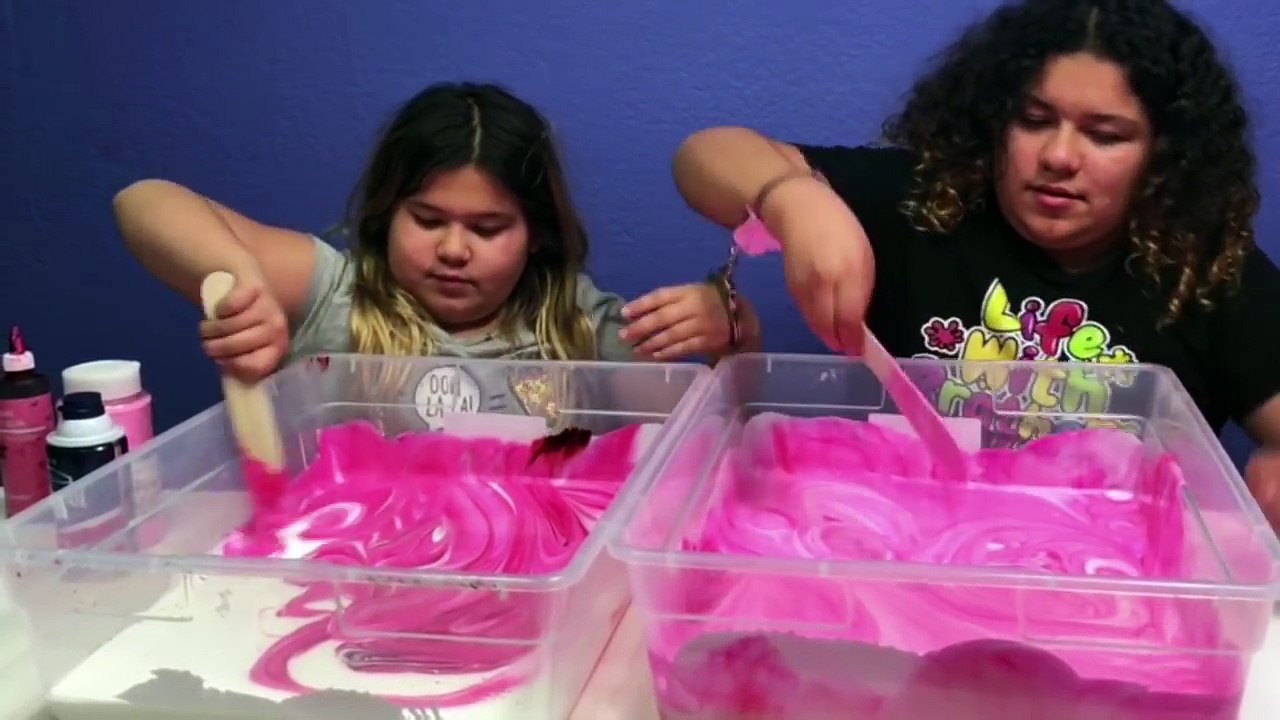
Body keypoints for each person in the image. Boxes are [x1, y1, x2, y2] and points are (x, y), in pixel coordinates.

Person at [670, 0, 1280, 528]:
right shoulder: (925, 206)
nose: (1059, 156)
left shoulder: (1207, 273)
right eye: (1034, 121)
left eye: (1106, 135)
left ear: (1161, 158)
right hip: (908, 551)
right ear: (995, 122)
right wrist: (795, 200)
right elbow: (703, 156)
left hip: (1111, 592)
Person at [115, 82, 761, 386]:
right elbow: (144, 202)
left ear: (536, 233)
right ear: (385, 213)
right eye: (426, 220)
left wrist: (729, 322)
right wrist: (238, 277)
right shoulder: (331, 293)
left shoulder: (578, 326)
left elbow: (725, 415)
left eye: (488, 228)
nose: (453, 250)